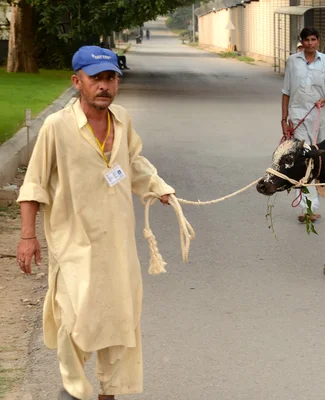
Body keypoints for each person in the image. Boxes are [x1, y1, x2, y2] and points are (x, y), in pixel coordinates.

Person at [16, 45, 175, 400]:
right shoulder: (56, 127)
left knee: (119, 321)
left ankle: (108, 394)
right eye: (96, 78)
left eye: (110, 78)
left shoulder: (122, 119)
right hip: (73, 244)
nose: (104, 86)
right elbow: (34, 185)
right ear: (77, 82)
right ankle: (73, 391)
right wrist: (28, 237)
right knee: (75, 320)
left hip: (117, 245)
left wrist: (158, 188)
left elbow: (133, 163)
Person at [281, 27, 325, 223]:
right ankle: (309, 208)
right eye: (307, 40)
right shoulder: (292, 62)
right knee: (304, 159)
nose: (310, 43)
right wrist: (284, 119)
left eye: (313, 39)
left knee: (320, 161)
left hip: (320, 117)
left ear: (318, 41)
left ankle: (320, 198)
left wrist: (323, 99)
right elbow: (286, 92)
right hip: (298, 117)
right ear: (302, 42)